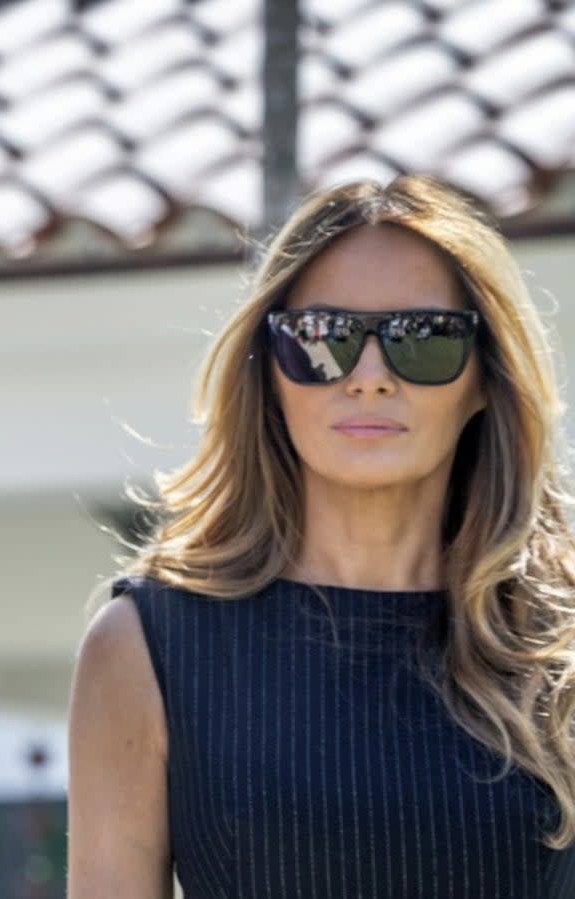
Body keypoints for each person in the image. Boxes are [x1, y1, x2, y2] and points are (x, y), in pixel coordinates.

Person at [68, 176, 575, 898]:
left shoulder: (561, 646)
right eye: (323, 337)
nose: (369, 376)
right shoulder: (146, 647)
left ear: (485, 378)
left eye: (422, 339)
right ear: (271, 371)